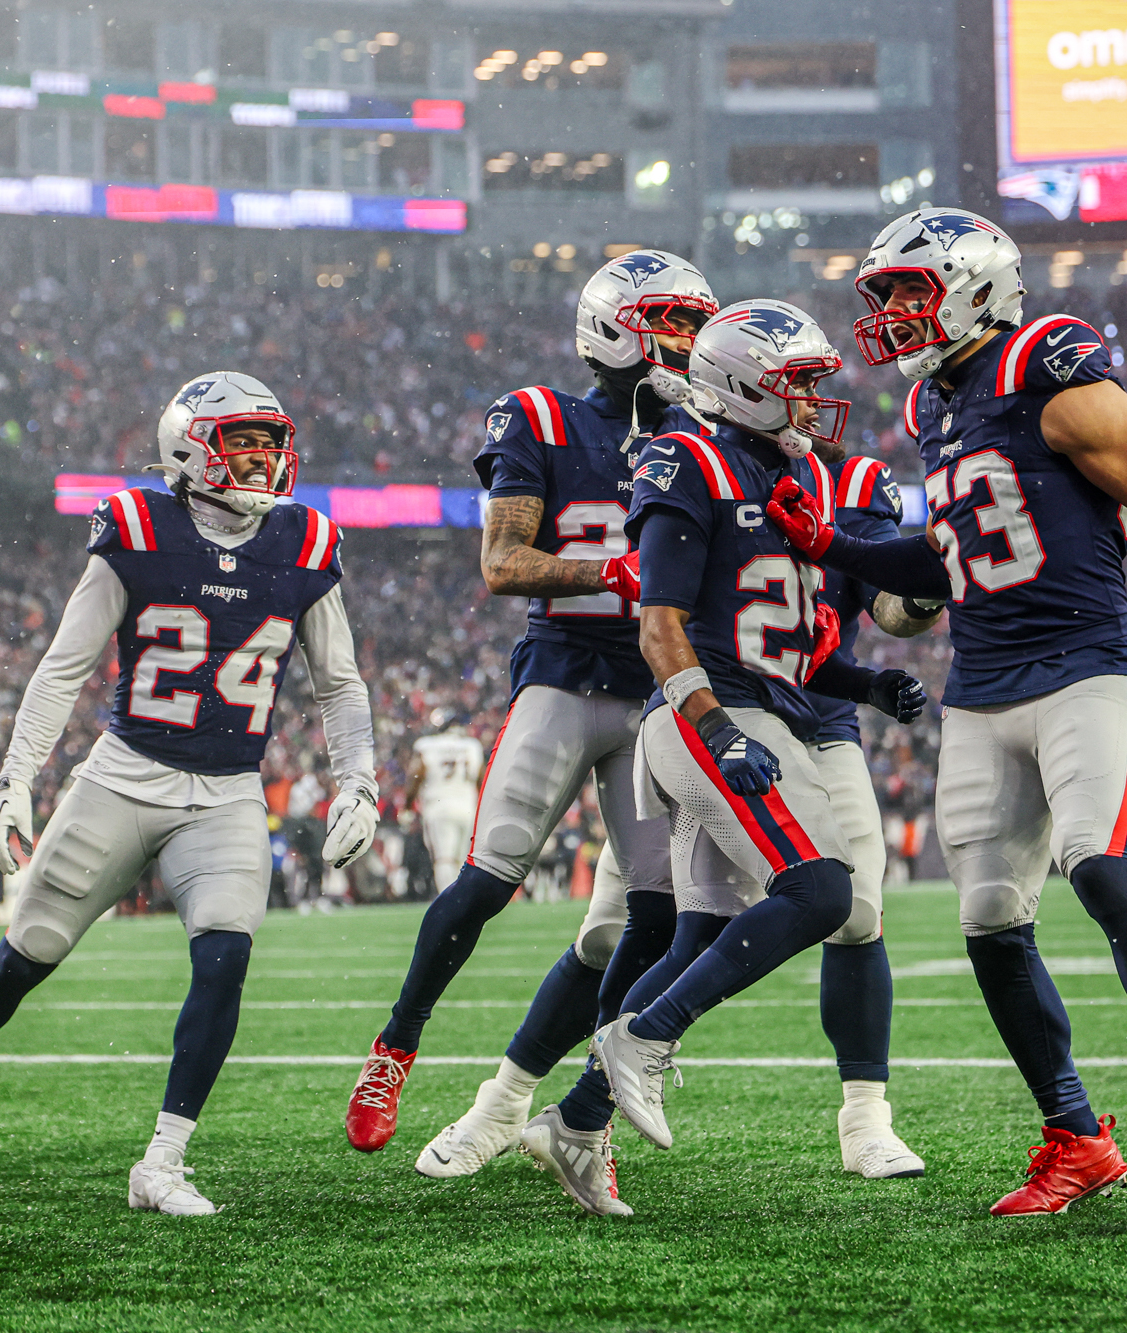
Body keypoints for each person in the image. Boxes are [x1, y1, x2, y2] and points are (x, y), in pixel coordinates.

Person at [761, 208, 1127, 1216]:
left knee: (1099, 860)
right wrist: (836, 548)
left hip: (1079, 660)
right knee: (988, 918)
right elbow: (948, 555)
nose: (894, 315)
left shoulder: (1047, 363)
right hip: (980, 682)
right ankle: (1074, 1134)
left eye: (910, 290)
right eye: (886, 297)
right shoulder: (927, 408)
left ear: (973, 285)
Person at [0, 371, 380, 1215]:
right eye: (244, 440)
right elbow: (65, 666)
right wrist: (14, 779)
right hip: (124, 778)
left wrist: (360, 781)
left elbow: (339, 684)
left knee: (225, 956)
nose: (263, 458)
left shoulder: (306, 541)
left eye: (271, 442)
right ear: (189, 447)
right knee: (25, 958)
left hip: (229, 788)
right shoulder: (140, 527)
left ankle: (162, 1162)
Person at [520, 300, 925, 1216]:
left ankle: (576, 1124)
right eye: (799, 386)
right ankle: (643, 1038)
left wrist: (865, 687)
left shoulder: (790, 479)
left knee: (704, 936)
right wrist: (719, 730)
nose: (819, 403)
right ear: (744, 388)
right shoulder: (690, 458)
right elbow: (664, 627)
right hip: (712, 718)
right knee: (823, 891)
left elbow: (779, 638)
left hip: (762, 706)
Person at [349, 252, 715, 1156]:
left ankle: (596, 1082)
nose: (688, 341)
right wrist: (614, 570)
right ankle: (396, 1044)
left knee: (661, 915)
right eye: (671, 321)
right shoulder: (541, 418)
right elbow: (503, 564)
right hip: (561, 678)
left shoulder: (698, 433)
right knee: (490, 877)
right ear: (618, 327)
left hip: (649, 697)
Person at [404, 711, 483, 891]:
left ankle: (449, 900)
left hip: (438, 807)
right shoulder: (471, 746)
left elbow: (416, 776)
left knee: (444, 858)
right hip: (467, 807)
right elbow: (481, 779)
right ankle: (463, 900)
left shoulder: (427, 746)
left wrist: (408, 806)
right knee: (463, 859)